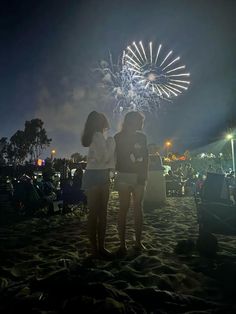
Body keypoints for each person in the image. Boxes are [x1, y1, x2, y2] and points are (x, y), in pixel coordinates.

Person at [81, 111, 115, 258]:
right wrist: (112, 143)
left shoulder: (94, 136)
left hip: (92, 174)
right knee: (101, 214)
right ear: (102, 123)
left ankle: (95, 249)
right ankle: (100, 248)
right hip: (100, 175)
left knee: (93, 214)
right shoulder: (99, 136)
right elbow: (104, 157)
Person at [114, 111, 148, 255]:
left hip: (125, 175)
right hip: (133, 176)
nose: (142, 123)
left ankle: (126, 244)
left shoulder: (118, 137)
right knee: (134, 208)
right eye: (141, 121)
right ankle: (135, 243)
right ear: (134, 121)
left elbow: (116, 158)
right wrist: (144, 175)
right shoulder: (140, 137)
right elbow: (145, 158)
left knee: (125, 209)